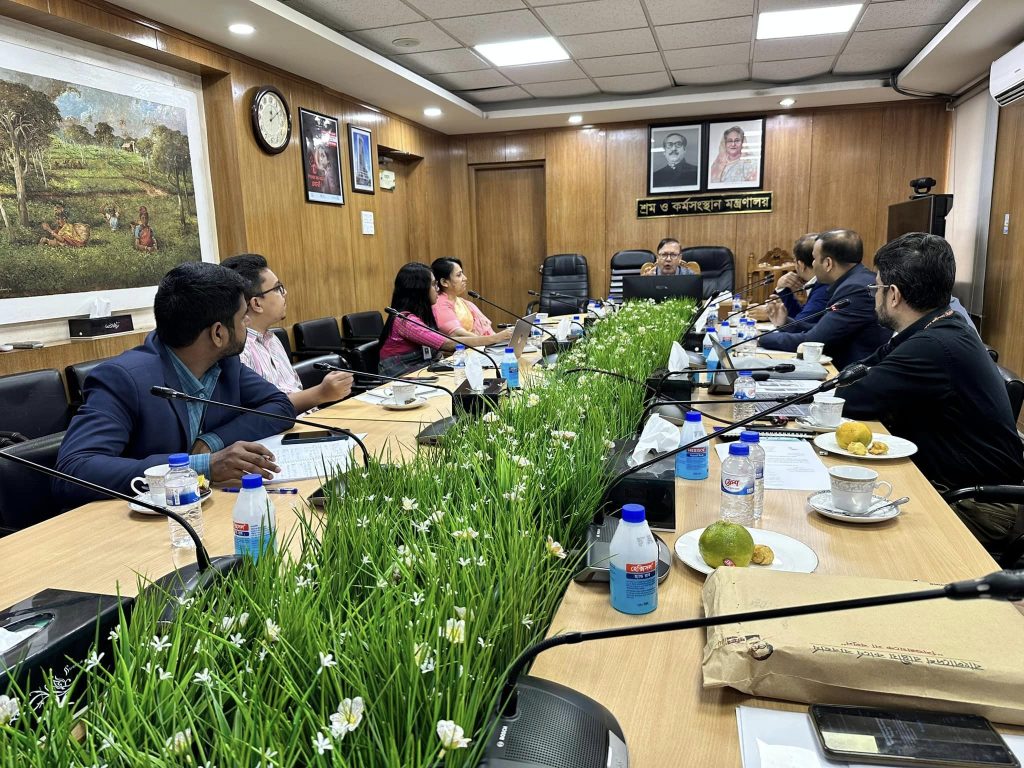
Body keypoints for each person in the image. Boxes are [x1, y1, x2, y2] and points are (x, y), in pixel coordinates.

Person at [54, 262, 294, 508]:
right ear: (218, 334)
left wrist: (214, 441)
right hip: (137, 521)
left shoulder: (225, 363)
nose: (248, 322)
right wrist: (201, 466)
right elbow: (73, 470)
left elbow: (280, 406)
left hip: (208, 508)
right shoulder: (123, 379)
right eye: (242, 318)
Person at [839, 233, 1024, 551]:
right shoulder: (935, 326)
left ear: (893, 295)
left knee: (848, 537)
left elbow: (850, 399)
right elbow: (857, 373)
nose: (874, 296)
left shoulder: (933, 345)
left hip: (975, 505)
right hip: (952, 484)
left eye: (876, 288)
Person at [222, 253, 353, 412]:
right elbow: (264, 411)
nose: (285, 293)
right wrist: (321, 393)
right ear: (256, 303)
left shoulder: (272, 339)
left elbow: (293, 389)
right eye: (278, 288)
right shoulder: (239, 352)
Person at [757, 229, 890, 368]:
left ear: (828, 263)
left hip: (853, 373)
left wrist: (760, 338)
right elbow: (822, 329)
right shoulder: (854, 281)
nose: (813, 264)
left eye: (814, 258)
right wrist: (785, 322)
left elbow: (813, 341)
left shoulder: (855, 289)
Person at [378, 262, 509, 377]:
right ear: (419, 289)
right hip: (401, 377)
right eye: (433, 284)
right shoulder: (404, 320)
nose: (438, 289)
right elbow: (447, 343)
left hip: (422, 371)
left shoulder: (424, 312)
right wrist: (495, 338)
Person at [766, 233, 828, 330]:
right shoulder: (818, 283)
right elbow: (798, 316)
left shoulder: (824, 288)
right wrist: (782, 289)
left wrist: (769, 314)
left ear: (801, 265)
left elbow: (799, 327)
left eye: (794, 261)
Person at [431, 258, 498, 337]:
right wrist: (493, 339)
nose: (465, 278)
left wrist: (499, 339)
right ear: (444, 282)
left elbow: (489, 332)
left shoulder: (467, 304)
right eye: (459, 275)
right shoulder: (439, 304)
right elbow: (457, 334)